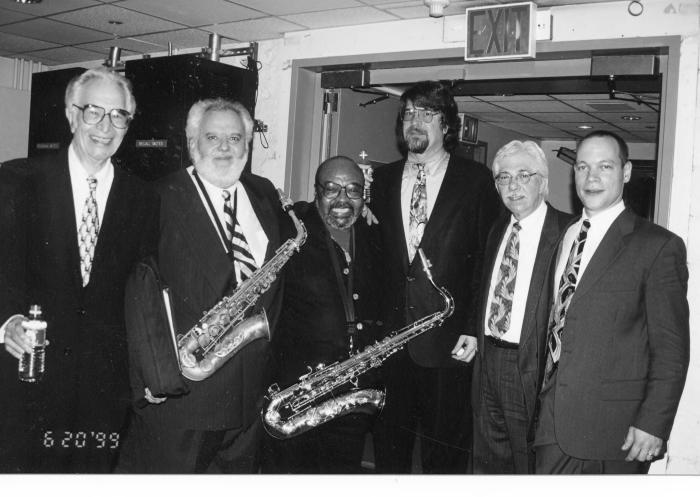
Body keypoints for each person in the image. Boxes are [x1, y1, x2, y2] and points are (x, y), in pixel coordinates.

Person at [117, 97, 292, 473]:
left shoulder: (263, 194)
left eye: (235, 138)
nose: (225, 148)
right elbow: (131, 297)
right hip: (184, 401)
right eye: (213, 137)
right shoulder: (156, 198)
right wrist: (150, 375)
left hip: (248, 399)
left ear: (248, 144)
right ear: (192, 142)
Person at [0, 67, 159, 473]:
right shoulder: (17, 180)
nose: (105, 126)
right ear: (72, 115)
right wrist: (9, 319)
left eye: (118, 115)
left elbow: (144, 293)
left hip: (103, 394)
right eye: (93, 112)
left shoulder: (142, 197)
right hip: (26, 384)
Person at [533, 130, 689, 474]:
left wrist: (653, 423)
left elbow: (672, 349)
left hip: (614, 432)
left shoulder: (658, 246)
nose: (591, 178)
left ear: (627, 172)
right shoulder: (565, 236)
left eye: (605, 166)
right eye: (583, 167)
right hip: (550, 422)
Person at [370, 80, 501, 473]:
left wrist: (474, 328)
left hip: (449, 343)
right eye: (409, 113)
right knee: (389, 451)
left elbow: (487, 261)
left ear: (447, 126)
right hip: (391, 343)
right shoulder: (382, 180)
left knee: (445, 456)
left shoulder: (476, 181)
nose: (416, 121)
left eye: (428, 114)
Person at [454, 141, 571, 473]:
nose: (513, 185)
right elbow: (485, 288)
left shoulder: (568, 233)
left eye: (524, 175)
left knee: (529, 464)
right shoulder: (497, 229)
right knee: (488, 459)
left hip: (531, 366)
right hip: (488, 360)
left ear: (543, 182)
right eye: (503, 177)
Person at [262, 155, 382, 473]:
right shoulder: (292, 227)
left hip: (349, 393)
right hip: (296, 392)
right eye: (332, 188)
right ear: (316, 191)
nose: (343, 199)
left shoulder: (375, 235)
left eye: (353, 190)